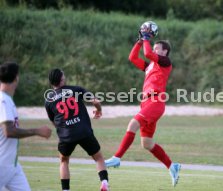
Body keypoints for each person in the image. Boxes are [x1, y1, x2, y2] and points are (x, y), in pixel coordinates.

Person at [105, 30, 181, 186]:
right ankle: (172, 166)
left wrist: (146, 38)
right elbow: (132, 57)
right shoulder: (150, 66)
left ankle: (117, 157)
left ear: (164, 51)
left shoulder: (165, 61)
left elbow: (147, 53)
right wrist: (140, 41)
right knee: (147, 143)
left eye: (157, 48)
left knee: (132, 124)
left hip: (156, 101)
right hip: (147, 103)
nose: (154, 49)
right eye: (153, 47)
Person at [44, 68, 109, 191]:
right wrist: (99, 110)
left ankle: (66, 189)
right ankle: (104, 182)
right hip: (84, 131)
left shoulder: (49, 100)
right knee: (98, 158)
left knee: (64, 161)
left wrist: (63, 130)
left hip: (66, 135)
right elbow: (95, 101)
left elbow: (54, 121)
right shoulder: (76, 90)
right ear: (62, 79)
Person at [0, 62, 52, 191]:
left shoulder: (7, 99)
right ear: (16, 77)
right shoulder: (3, 100)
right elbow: (9, 132)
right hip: (2, 165)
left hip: (12, 165)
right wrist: (37, 131)